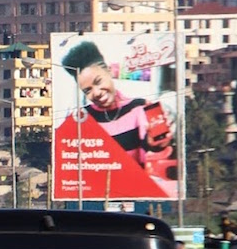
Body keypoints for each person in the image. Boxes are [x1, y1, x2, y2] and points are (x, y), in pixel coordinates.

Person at [59, 38, 177, 187]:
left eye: (98, 82)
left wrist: (156, 146)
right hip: (95, 196)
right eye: (87, 90)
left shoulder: (143, 108)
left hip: (138, 192)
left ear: (109, 71)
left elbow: (161, 162)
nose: (97, 93)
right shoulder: (80, 120)